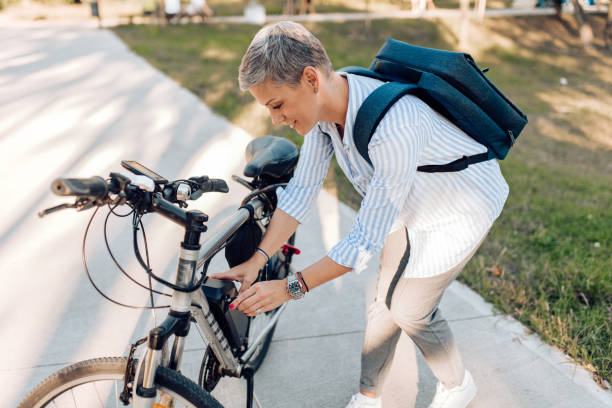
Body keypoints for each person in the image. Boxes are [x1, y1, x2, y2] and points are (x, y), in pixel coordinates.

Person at [210, 21, 509, 408]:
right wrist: (257, 259)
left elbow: (362, 243)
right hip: (409, 204)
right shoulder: (324, 112)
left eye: (278, 105)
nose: (275, 120)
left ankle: (458, 385)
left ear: (311, 78)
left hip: (460, 207)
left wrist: (288, 288)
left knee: (409, 308)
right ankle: (370, 397)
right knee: (383, 303)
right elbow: (300, 194)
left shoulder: (395, 126)